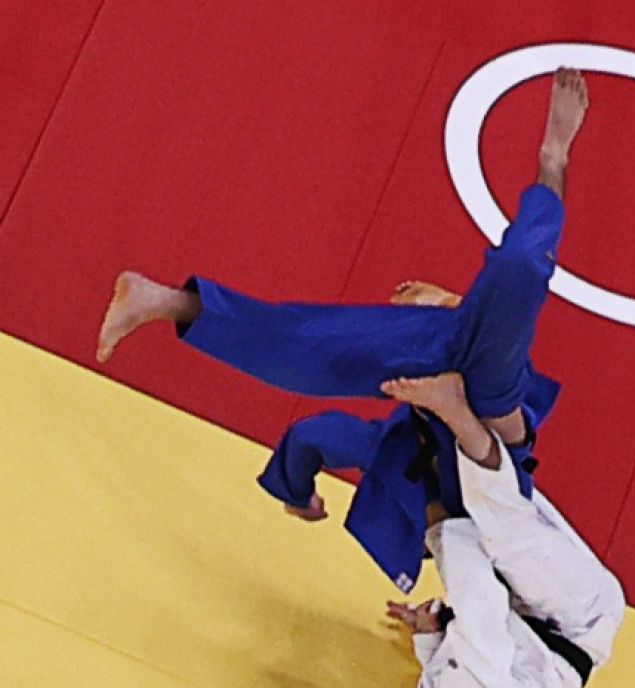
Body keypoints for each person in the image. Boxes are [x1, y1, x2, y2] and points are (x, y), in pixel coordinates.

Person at [94, 68, 591, 591]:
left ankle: (165, 301)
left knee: (307, 349)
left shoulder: (393, 463)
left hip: (432, 361)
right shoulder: (504, 543)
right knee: (520, 268)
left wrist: (296, 489)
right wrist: (450, 403)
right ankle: (553, 158)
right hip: (489, 402)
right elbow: (502, 451)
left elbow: (314, 435)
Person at [353, 371, 625, 688]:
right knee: (494, 518)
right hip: (580, 616)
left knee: (472, 502)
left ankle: (468, 405)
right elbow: (478, 600)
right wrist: (440, 528)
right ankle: (464, 398)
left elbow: (470, 669)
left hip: (540, 650)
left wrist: (429, 632)